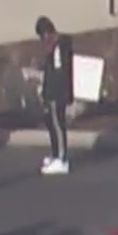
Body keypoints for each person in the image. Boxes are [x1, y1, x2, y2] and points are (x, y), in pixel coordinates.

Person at [35, 17, 75, 176]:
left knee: (58, 124)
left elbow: (59, 74)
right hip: (52, 92)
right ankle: (55, 154)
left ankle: (62, 159)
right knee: (51, 123)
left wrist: (55, 93)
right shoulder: (53, 48)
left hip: (58, 93)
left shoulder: (59, 47)